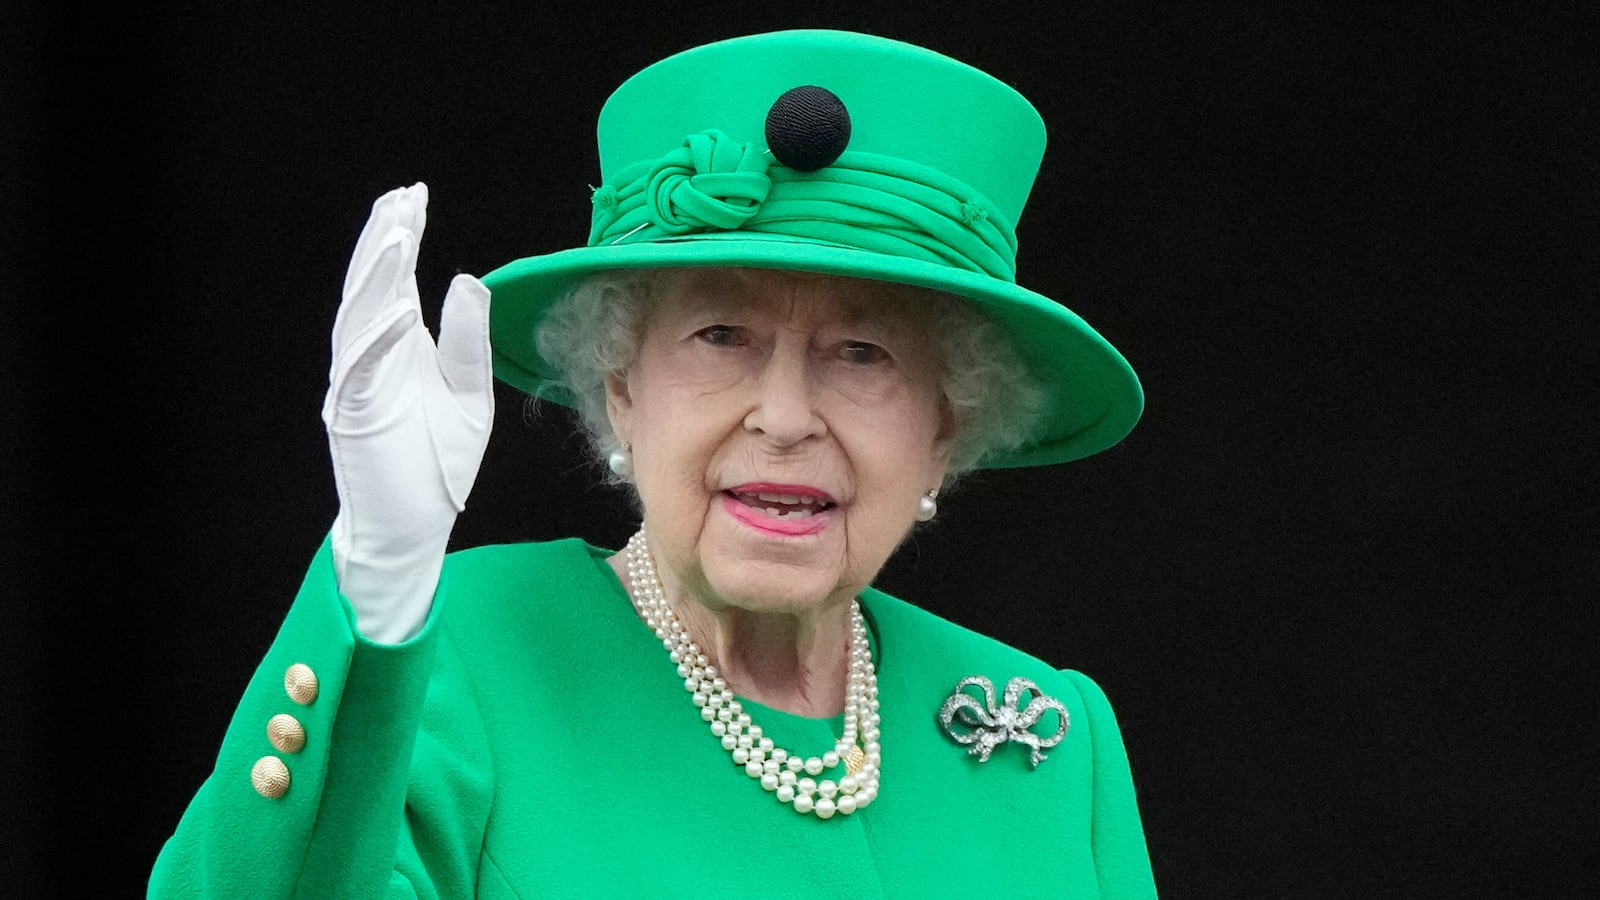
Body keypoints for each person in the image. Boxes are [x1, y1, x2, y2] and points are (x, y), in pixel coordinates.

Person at [148, 28, 1157, 898]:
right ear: (620, 387)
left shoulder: (1049, 738)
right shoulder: (459, 658)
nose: (784, 415)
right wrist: (374, 581)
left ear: (946, 426)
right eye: (720, 335)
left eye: (863, 353)